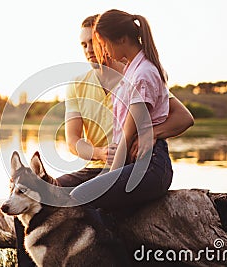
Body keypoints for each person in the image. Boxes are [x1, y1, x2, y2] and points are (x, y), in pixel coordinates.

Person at [14, 13, 194, 267]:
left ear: (105, 41)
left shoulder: (134, 74)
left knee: (93, 207)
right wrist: (99, 153)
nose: (89, 49)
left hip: (128, 166)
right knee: (34, 199)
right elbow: (73, 140)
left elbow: (183, 118)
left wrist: (151, 134)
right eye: (84, 44)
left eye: (94, 42)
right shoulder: (79, 84)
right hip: (98, 166)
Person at [70, 9, 186, 211]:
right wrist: (102, 160)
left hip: (148, 164)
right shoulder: (134, 71)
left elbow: (127, 134)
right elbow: (73, 139)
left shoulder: (141, 75)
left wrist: (110, 177)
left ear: (121, 39)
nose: (98, 49)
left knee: (81, 196)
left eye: (101, 43)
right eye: (85, 44)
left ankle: (107, 243)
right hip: (133, 164)